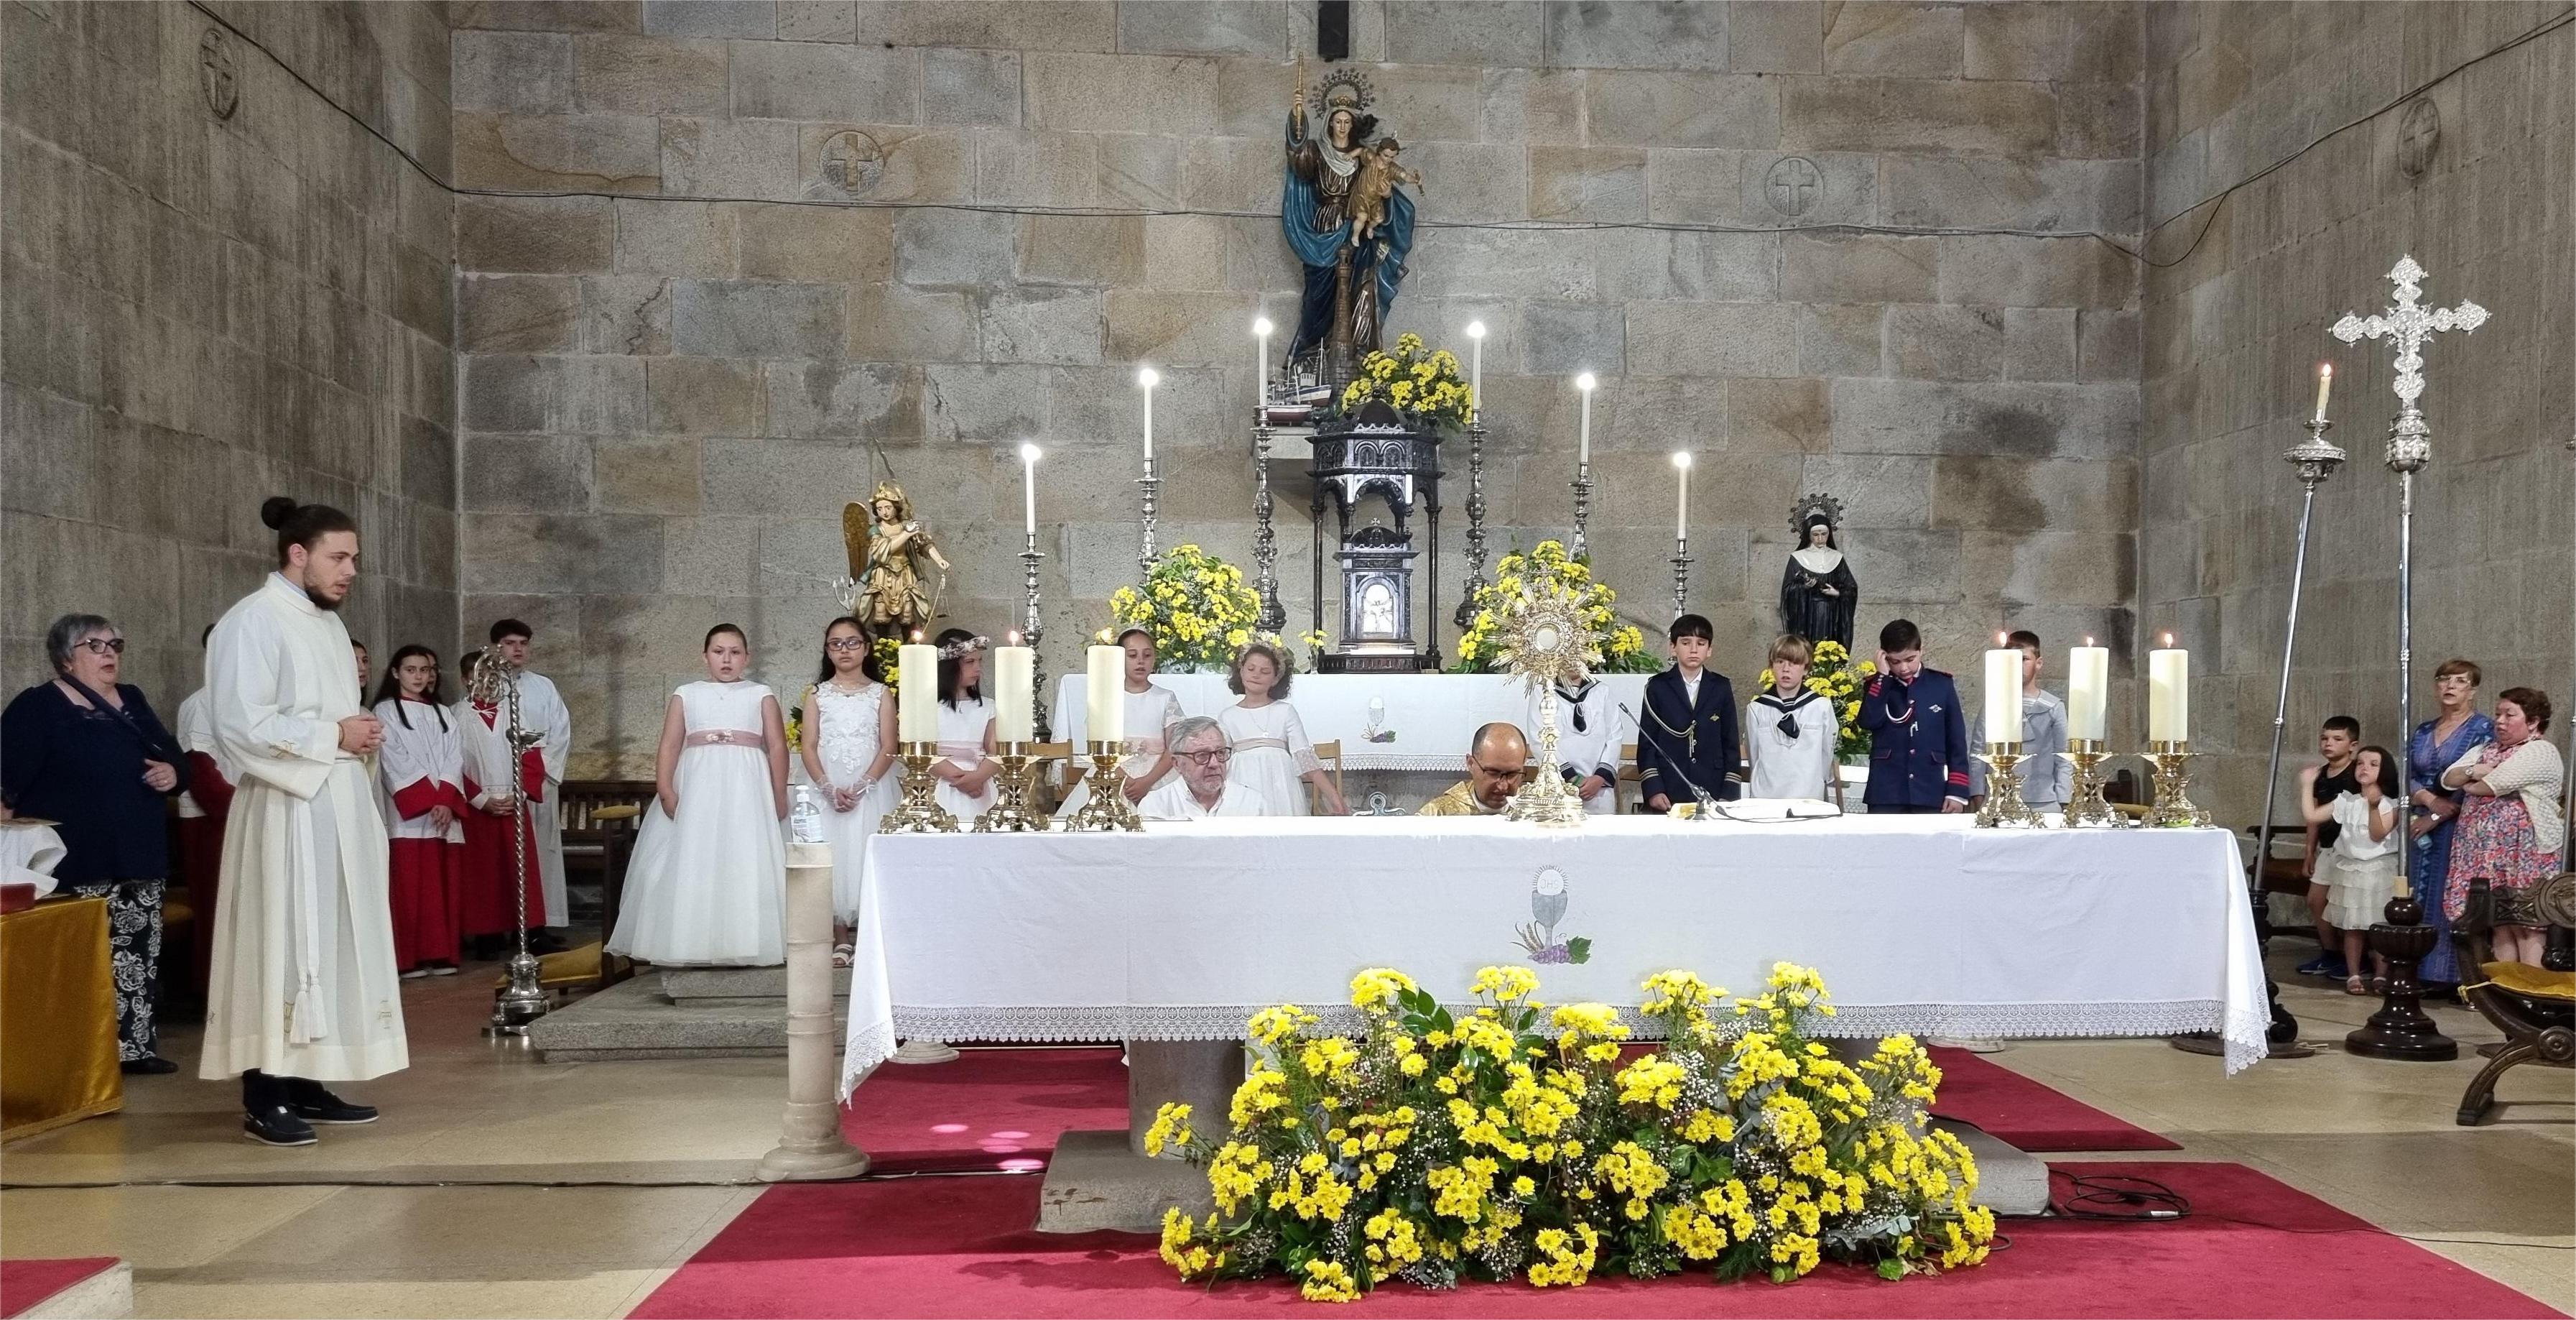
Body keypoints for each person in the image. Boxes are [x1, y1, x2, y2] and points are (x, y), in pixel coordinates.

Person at [200, 498, 403, 1146]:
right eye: (338, 557)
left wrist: (358, 734)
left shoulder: (329, 626)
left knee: (330, 940)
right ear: (297, 553)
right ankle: (264, 1092)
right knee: (280, 939)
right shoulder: (252, 621)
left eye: (354, 559)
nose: (350, 571)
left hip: (337, 805)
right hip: (285, 808)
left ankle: (310, 1077)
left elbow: (333, 715)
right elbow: (239, 724)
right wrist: (334, 734)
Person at [1, 614, 190, 1073]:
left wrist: (173, 774)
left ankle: (134, 1051)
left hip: (139, 853)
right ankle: (84, 1056)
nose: (110, 654)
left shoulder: (133, 699)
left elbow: (174, 758)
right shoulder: (38, 706)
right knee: (81, 961)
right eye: (96, 645)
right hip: (76, 857)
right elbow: (6, 779)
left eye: (115, 645)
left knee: (137, 958)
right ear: (66, 657)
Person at [607, 625, 789, 968]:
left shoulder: (760, 694)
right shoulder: (686, 694)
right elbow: (670, 744)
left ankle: (747, 939)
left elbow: (778, 745)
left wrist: (779, 792)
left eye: (735, 652)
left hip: (746, 787)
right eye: (719, 652)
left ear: (747, 657)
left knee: (744, 855)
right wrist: (665, 789)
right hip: (699, 786)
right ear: (705, 656)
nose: (727, 659)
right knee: (696, 855)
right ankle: (691, 941)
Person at [2443, 688, 2564, 968]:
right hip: (2486, 851)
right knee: (2499, 923)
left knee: (2526, 924)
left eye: (2510, 715)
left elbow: (2490, 786)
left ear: (2533, 721)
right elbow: (2449, 778)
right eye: (2498, 714)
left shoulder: (2540, 750)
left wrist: (2474, 779)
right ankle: (2505, 987)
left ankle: (2529, 988)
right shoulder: (2485, 750)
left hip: (2523, 850)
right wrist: (2473, 772)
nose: (2499, 721)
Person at [800, 617, 895, 961]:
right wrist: (827, 787)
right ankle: (839, 935)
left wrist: (864, 784)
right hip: (827, 786)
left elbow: (889, 745)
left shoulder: (880, 693)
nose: (844, 650)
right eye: (836, 644)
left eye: (852, 642)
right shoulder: (818, 695)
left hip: (870, 788)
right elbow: (809, 745)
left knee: (865, 854)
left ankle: (869, 937)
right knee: (835, 857)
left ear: (866, 649)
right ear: (827, 651)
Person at [371, 646, 465, 979]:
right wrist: (430, 799)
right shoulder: (385, 712)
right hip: (408, 816)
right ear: (396, 673)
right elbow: (393, 759)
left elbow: (455, 757)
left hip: (442, 813)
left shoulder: (444, 713)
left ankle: (440, 954)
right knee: (409, 888)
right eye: (411, 670)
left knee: (439, 889)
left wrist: (445, 799)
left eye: (425, 670)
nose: (419, 676)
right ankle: (408, 958)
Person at [2406, 658, 2491, 993]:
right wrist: (2428, 802)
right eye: (2444, 679)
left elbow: (2476, 779)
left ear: (2473, 689)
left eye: (2459, 681)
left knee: (2451, 896)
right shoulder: (2424, 730)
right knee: (2417, 892)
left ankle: (2453, 976)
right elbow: (2407, 772)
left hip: (2460, 824)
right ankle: (2417, 971)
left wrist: (2438, 815)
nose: (2450, 686)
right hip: (2420, 820)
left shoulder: (2482, 729)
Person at [453, 651, 544, 959]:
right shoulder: (456, 715)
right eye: (478, 678)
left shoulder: (514, 710)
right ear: (465, 680)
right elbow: (451, 763)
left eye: (492, 678)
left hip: (513, 801)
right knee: (484, 874)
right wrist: (479, 799)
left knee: (519, 870)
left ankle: (528, 931)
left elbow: (532, 754)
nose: (486, 684)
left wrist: (520, 793)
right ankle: (486, 934)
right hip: (479, 806)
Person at [487, 620, 570, 938]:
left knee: (541, 854)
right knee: (503, 857)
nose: (518, 649)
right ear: (496, 647)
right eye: (510, 643)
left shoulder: (543, 686)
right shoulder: (487, 686)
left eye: (523, 643)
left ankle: (539, 926)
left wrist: (537, 771)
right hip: (500, 783)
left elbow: (560, 731)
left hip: (539, 782)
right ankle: (501, 926)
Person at [2298, 744, 2401, 995]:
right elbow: (2312, 815)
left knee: (2379, 926)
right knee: (2352, 926)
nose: (2364, 768)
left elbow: (2377, 834)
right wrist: (2307, 785)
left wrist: (2374, 806)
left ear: (2385, 771)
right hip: (2351, 869)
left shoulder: (2392, 804)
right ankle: (2353, 974)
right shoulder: (2346, 801)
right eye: (2360, 763)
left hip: (2379, 870)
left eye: (2373, 764)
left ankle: (2380, 974)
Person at [1058, 627, 1181, 817]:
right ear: (1120, 659)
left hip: (1157, 777)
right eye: (1132, 655)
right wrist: (1127, 782)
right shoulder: (1107, 697)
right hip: (1113, 773)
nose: (1140, 661)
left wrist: (1146, 782)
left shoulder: (1165, 698)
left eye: (1147, 655)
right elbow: (1100, 746)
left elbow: (1174, 747)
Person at [175, 624, 236, 1000]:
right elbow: (199, 769)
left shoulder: (245, 700)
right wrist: (240, 810)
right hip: (214, 820)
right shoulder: (201, 703)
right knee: (218, 909)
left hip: (241, 813)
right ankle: (216, 997)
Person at [1857, 619, 1970, 814]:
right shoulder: (1878, 686)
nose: (1903, 668)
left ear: (1921, 651)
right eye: (1895, 662)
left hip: (1930, 790)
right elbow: (1869, 721)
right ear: (1884, 657)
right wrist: (1882, 677)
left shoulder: (1941, 685)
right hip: (1886, 793)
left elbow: (1956, 741)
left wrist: (1957, 792)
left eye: (1910, 659)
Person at [1220, 640, 1343, 816]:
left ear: (1275, 679)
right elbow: (1220, 761)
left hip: (1282, 786)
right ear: (1241, 671)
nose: (1256, 675)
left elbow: (1304, 756)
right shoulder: (1228, 716)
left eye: (1265, 671)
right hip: (1241, 782)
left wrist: (1333, 797)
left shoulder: (1285, 711)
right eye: (1251, 669)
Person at [1635, 614, 1741, 813]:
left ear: (1709, 650)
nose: (1693, 650)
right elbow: (1647, 744)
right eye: (1686, 643)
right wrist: (1654, 789)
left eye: (1701, 644)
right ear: (1673, 648)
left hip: (1713, 789)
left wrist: (1729, 793)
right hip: (1669, 789)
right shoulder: (1657, 687)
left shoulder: (1721, 687)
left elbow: (1731, 744)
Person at [1968, 630, 2070, 815]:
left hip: (2044, 802)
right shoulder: (1993, 705)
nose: (2018, 665)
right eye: (2012, 659)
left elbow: (2063, 757)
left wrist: (2064, 801)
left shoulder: (2054, 707)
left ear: (2038, 663)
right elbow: (1978, 753)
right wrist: (1978, 796)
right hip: (1998, 800)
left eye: (2024, 659)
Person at [2294, 716, 2363, 980]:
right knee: (2316, 900)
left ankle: (2355, 960)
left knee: (2348, 904)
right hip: (2328, 847)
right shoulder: (2320, 775)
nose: (2328, 743)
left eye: (2337, 739)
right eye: (2324, 738)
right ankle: (2331, 953)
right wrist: (2309, 851)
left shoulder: (2357, 773)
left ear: (2352, 745)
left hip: (2352, 849)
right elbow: (2313, 817)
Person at [1746, 634, 1838, 801]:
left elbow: (1826, 754)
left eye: (1794, 663)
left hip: (1808, 797)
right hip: (1766, 798)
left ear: (1806, 668)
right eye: (1780, 662)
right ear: (1771, 666)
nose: (1786, 669)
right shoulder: (1757, 709)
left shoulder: (1821, 707)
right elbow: (1754, 755)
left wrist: (1817, 781)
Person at [926, 629, 1001, 820]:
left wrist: (978, 778)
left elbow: (995, 751)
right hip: (941, 784)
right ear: (949, 666)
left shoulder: (987, 707)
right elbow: (923, 752)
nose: (978, 668)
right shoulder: (928, 707)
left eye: (979, 661)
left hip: (981, 784)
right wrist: (962, 779)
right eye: (970, 662)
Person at [1141, 717, 1278, 818]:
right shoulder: (1156, 805)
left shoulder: (1252, 803)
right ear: (1177, 763)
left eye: (1221, 753)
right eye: (1202, 755)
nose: (1214, 764)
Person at [1532, 673, 1624, 816]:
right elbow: (1539, 739)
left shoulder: (1602, 690)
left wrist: (1600, 777)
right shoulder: (1542, 691)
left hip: (1598, 791)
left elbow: (1614, 737)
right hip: (1560, 789)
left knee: (1601, 830)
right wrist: (1573, 779)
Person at [1420, 723, 1530, 816]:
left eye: (1513, 774)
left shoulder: (1533, 810)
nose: (1503, 786)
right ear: (1471, 764)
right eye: (1493, 773)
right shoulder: (1437, 814)